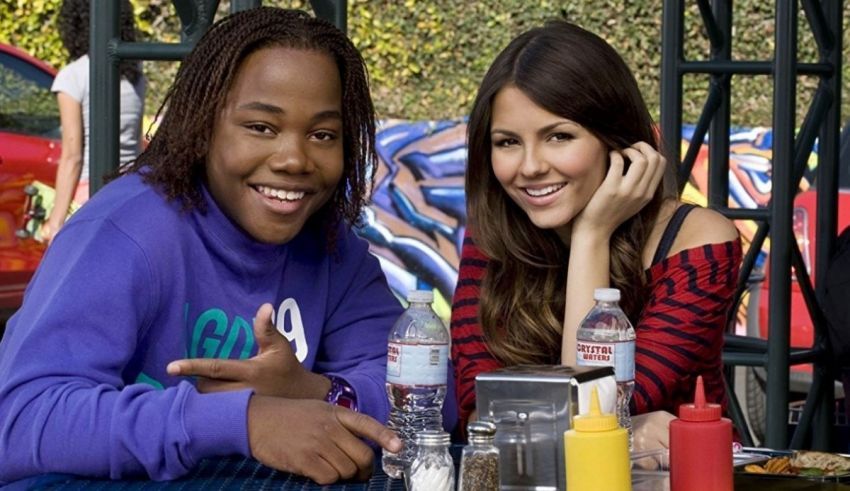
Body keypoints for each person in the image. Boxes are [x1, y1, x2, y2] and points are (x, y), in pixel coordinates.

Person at [0, 7, 402, 486]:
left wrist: (318, 391)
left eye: (322, 135)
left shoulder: (334, 249)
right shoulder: (127, 230)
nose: (295, 159)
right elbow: (20, 420)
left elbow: (430, 391)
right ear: (204, 126)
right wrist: (243, 421)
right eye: (261, 127)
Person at [451, 20, 742, 451]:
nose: (529, 166)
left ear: (616, 139)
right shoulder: (493, 235)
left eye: (559, 136)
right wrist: (627, 429)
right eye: (508, 142)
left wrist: (591, 234)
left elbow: (593, 410)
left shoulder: (698, 243)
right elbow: (481, 414)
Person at [42, 0, 146, 244]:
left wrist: (56, 221)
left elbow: (73, 156)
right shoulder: (135, 75)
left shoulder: (73, 76)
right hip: (131, 192)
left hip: (88, 197)